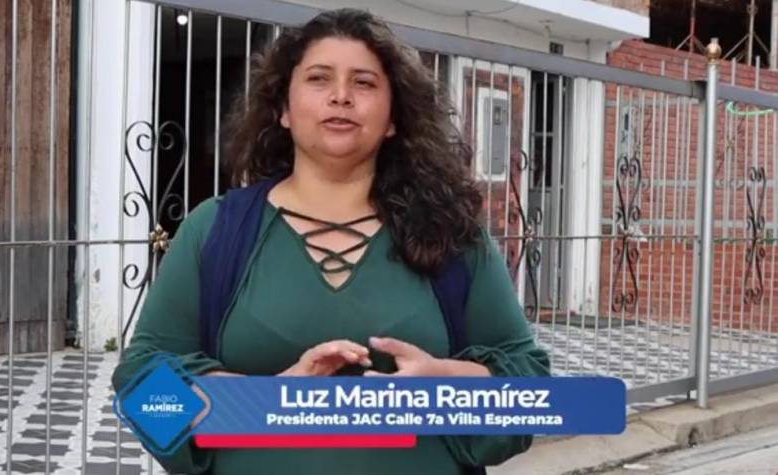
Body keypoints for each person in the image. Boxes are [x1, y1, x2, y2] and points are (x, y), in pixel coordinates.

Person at [112, 8, 550, 475]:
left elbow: (532, 393)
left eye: (364, 83)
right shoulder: (215, 230)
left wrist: (443, 388)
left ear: (393, 118)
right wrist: (265, 402)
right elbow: (141, 390)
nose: (341, 96)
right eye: (319, 79)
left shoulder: (453, 234)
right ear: (283, 110)